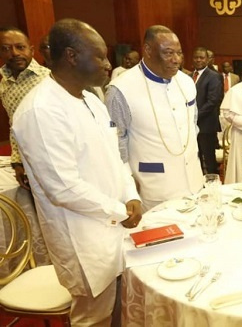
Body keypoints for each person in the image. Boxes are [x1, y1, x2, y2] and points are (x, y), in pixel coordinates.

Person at [12, 18, 142, 326]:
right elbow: (63, 188)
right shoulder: (41, 110)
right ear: (72, 56)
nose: (108, 64)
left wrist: (131, 195)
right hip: (82, 235)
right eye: (99, 55)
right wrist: (119, 209)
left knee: (122, 308)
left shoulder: (92, 100)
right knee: (92, 317)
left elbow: (115, 157)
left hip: (116, 223)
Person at [106, 25, 203, 211]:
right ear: (148, 50)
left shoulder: (187, 82)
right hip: (154, 188)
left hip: (194, 181)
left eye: (179, 53)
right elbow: (117, 144)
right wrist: (128, 188)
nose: (176, 60)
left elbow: (193, 125)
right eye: (168, 53)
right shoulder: (121, 89)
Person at [0, 26, 50, 189]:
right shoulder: (4, 84)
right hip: (28, 164)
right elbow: (14, 126)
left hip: (54, 160)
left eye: (20, 47)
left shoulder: (49, 79)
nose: (14, 53)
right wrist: (17, 163)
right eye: (6, 48)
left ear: (32, 50)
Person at [192, 46, 223, 175]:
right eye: (196, 57)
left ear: (207, 59)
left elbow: (212, 101)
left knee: (209, 160)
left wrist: (194, 116)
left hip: (206, 125)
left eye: (202, 58)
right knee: (195, 157)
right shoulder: (189, 76)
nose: (198, 60)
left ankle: (212, 186)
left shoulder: (214, 76)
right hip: (192, 126)